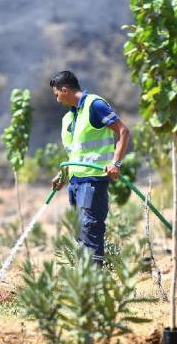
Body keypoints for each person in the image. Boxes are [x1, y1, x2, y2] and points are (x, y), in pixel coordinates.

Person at [49, 71, 131, 264]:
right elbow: (75, 155)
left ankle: (93, 284)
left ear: (65, 90)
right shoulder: (70, 118)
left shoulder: (94, 105)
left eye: (57, 94)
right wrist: (62, 174)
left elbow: (123, 131)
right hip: (76, 182)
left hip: (93, 181)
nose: (57, 99)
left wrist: (116, 163)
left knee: (90, 229)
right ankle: (84, 281)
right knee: (80, 232)